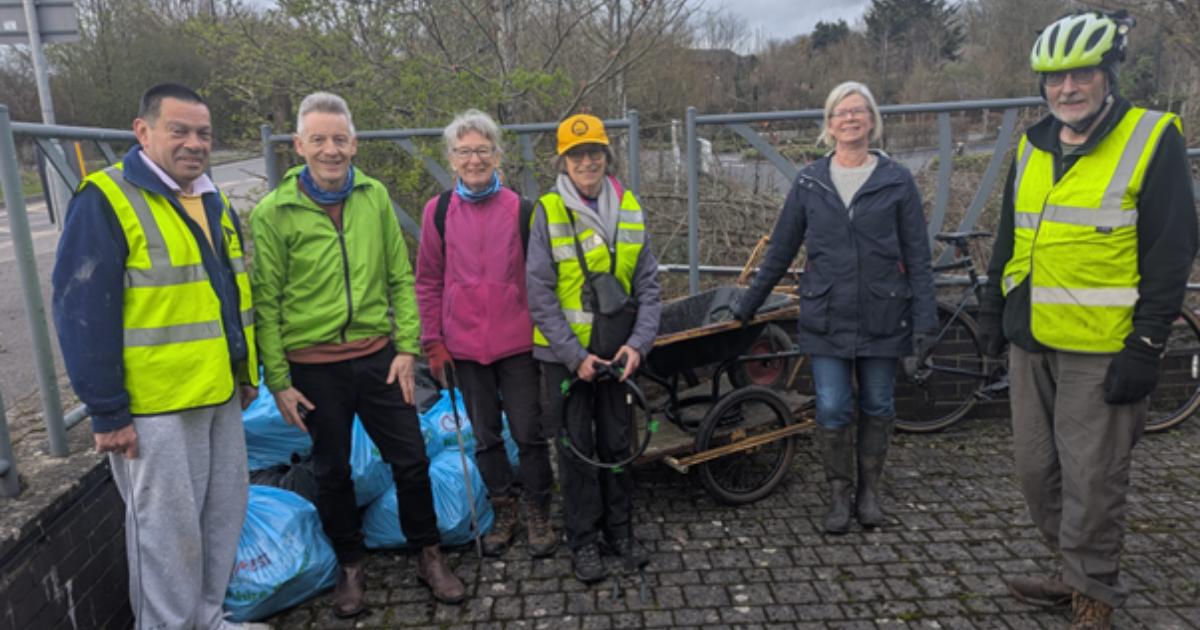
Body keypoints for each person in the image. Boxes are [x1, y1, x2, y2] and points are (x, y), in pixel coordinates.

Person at [978, 11, 1197, 629]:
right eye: (1053, 79)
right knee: (1033, 473)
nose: (1066, 89)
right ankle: (1071, 569)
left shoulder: (1152, 138)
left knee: (1093, 480)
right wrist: (992, 310)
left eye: (1080, 76)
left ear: (1108, 75)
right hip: (1033, 340)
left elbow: (1171, 249)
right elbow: (1008, 237)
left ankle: (1091, 595)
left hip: (1104, 348)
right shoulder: (1032, 142)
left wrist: (1148, 344)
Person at [51, 83, 266, 630]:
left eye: (204, 133)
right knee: (165, 539)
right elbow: (82, 311)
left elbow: (223, 296)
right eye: (180, 130)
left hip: (217, 392)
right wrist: (107, 409)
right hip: (156, 409)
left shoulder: (208, 198)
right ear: (142, 131)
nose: (194, 143)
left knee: (220, 521)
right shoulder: (107, 199)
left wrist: (245, 371)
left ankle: (209, 619)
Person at [249, 92, 465, 615]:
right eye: (318, 139)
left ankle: (429, 553)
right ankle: (351, 566)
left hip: (379, 357)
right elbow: (267, 303)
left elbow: (399, 276)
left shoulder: (373, 196)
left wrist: (406, 349)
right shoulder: (273, 212)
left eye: (339, 139)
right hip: (313, 367)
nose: (330, 149)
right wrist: (278, 380)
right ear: (299, 145)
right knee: (332, 470)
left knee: (411, 458)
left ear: (355, 143)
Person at [732, 81, 937, 535]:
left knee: (879, 404)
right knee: (831, 406)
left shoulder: (897, 180)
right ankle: (839, 494)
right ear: (829, 124)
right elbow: (782, 249)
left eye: (859, 111)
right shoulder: (809, 182)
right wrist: (748, 302)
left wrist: (926, 321)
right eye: (841, 112)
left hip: (884, 314)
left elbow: (919, 257)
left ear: (872, 121)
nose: (850, 118)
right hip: (826, 316)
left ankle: (870, 491)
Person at [415, 109, 558, 558]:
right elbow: (428, 280)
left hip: (517, 344)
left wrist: (545, 340)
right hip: (463, 347)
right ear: (451, 159)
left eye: (482, 150)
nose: (474, 160)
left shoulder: (522, 210)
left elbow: (539, 281)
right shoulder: (437, 213)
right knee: (485, 437)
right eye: (464, 152)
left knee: (529, 432)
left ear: (498, 155)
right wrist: (433, 343)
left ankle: (538, 510)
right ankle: (504, 509)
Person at [526, 114, 662, 583]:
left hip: (618, 356)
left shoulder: (629, 206)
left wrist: (639, 345)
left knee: (618, 446)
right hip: (567, 362)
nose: (587, 162)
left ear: (607, 156)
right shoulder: (547, 210)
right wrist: (573, 356)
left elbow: (648, 285)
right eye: (577, 154)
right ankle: (582, 540)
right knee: (577, 451)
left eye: (594, 153)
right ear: (562, 161)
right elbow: (539, 294)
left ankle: (619, 533)